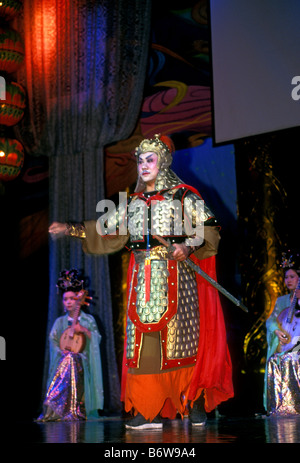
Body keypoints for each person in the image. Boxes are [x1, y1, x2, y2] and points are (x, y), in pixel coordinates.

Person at [49, 134, 233, 429]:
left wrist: (187, 247)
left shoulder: (184, 196)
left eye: (150, 159)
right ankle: (147, 410)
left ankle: (194, 400)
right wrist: (70, 228)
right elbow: (104, 229)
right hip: (142, 279)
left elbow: (209, 232)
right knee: (144, 342)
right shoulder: (130, 201)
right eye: (140, 160)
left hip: (177, 277)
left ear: (163, 162)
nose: (144, 165)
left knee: (181, 341)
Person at [37, 269, 104, 421]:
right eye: (65, 299)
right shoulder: (59, 322)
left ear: (79, 300)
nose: (68, 302)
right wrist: (60, 351)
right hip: (63, 360)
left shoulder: (88, 320)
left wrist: (85, 330)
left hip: (83, 360)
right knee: (68, 359)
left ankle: (68, 407)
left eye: (72, 299)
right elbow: (53, 341)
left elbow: (96, 339)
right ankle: (61, 407)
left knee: (72, 359)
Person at [264, 251, 300, 415]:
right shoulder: (282, 300)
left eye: (292, 276)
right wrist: (277, 331)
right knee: (274, 360)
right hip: (289, 345)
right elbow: (270, 321)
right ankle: (282, 406)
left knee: (291, 359)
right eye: (287, 277)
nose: (289, 280)